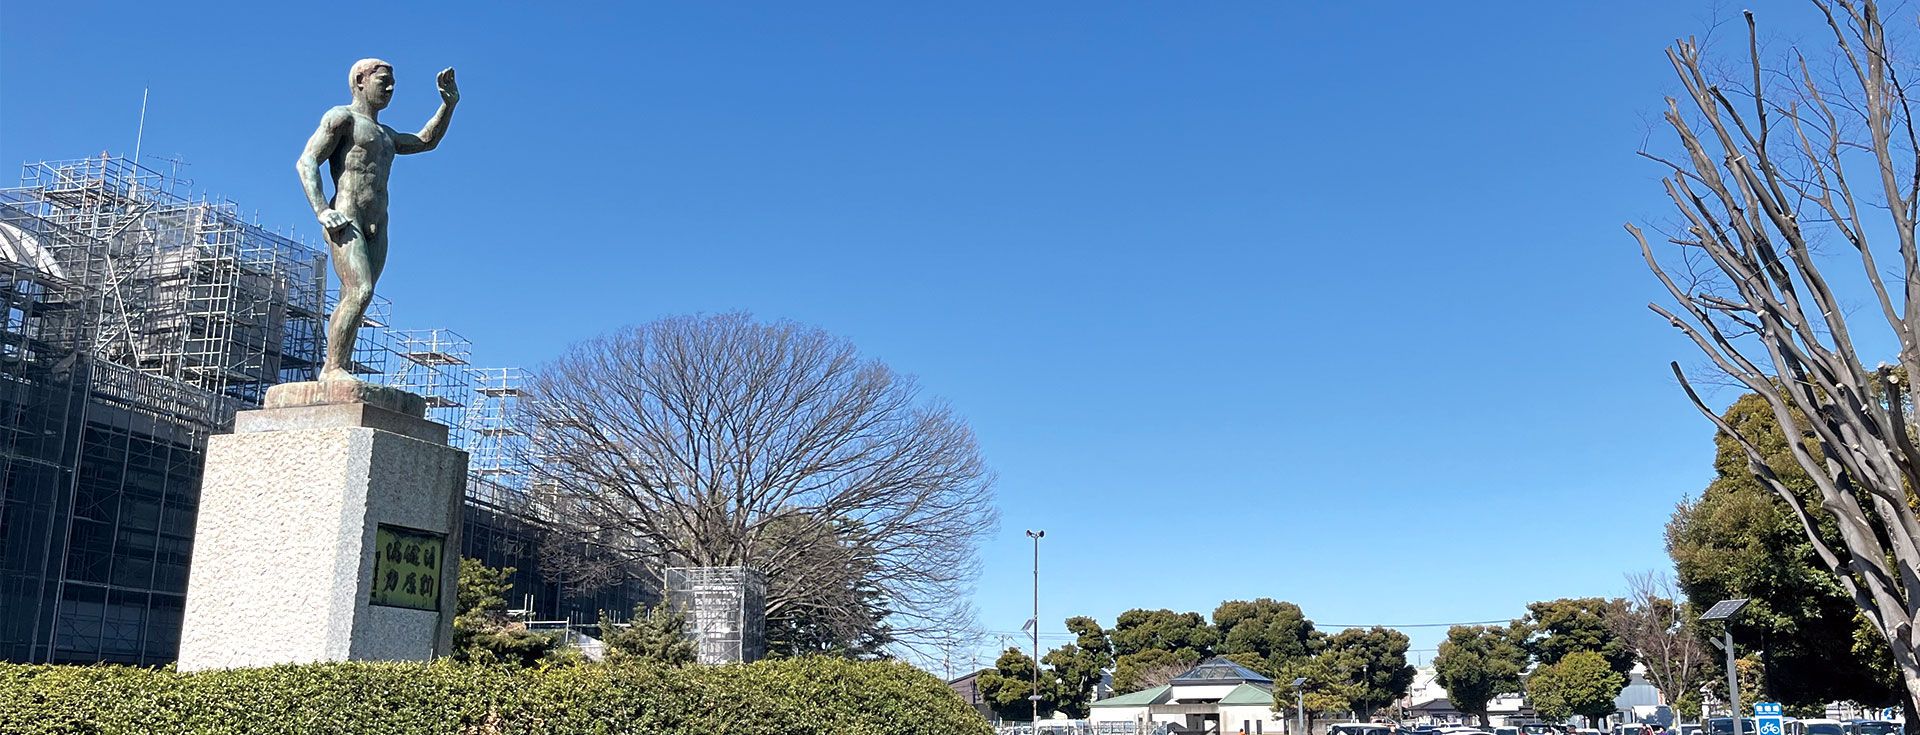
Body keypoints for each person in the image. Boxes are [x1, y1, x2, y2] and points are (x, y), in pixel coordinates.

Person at [295, 58, 459, 382]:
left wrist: (448, 104)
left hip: (378, 221)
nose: (390, 88)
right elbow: (307, 162)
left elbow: (427, 140)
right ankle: (333, 370)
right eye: (383, 80)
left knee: (354, 298)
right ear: (360, 80)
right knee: (360, 291)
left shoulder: (387, 135)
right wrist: (321, 210)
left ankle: (336, 367)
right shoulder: (341, 118)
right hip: (346, 215)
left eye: (392, 83)